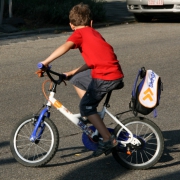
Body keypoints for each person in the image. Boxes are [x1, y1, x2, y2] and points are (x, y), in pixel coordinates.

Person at [40, 3, 124, 157]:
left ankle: (107, 138)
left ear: (71, 25)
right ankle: (90, 114)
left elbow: (65, 47)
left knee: (86, 107)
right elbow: (93, 61)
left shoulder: (80, 33)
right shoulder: (94, 33)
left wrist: (45, 62)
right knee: (77, 79)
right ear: (91, 22)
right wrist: (71, 72)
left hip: (105, 76)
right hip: (111, 72)